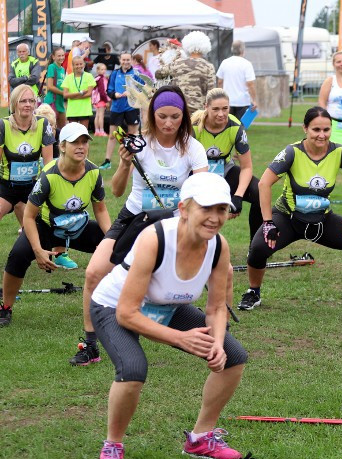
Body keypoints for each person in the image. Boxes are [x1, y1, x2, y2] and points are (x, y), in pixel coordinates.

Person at [90, 172, 247, 459]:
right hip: (114, 306)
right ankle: (113, 444)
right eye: (206, 208)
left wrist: (216, 343)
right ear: (184, 209)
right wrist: (179, 338)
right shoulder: (156, 238)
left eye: (221, 209)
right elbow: (127, 313)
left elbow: (216, 307)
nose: (215, 218)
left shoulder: (218, 246)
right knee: (133, 368)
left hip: (166, 306)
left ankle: (201, 439)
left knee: (233, 357)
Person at [75, 86, 207, 367]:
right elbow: (117, 191)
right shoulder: (139, 144)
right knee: (94, 272)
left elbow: (202, 190)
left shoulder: (193, 148)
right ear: (152, 115)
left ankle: (206, 327)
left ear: (184, 116)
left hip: (174, 221)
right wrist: (124, 164)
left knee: (169, 280)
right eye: (162, 116)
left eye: (175, 117)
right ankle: (90, 345)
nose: (168, 123)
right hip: (134, 216)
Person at [238, 106, 342, 311]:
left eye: (326, 130)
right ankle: (253, 291)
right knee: (258, 248)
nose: (321, 135)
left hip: (322, 221)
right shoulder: (292, 152)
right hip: (288, 219)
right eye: (316, 129)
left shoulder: (339, 152)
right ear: (305, 129)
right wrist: (268, 222)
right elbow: (264, 184)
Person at [0, 123, 109, 327]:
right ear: (63, 146)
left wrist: (110, 239)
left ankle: (118, 303)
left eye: (84, 142)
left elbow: (101, 210)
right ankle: (5, 307)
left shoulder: (94, 172)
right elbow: (29, 217)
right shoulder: (49, 175)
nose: (81, 146)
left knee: (119, 247)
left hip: (77, 227)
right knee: (18, 255)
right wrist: (38, 250)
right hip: (46, 228)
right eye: (75, 142)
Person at [193, 88, 261, 238]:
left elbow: (246, 167)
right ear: (206, 107)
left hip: (224, 171)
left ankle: (256, 246)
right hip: (196, 174)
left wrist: (238, 196)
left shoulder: (235, 127)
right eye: (215, 109)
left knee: (259, 191)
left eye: (225, 108)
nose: (221, 114)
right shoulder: (193, 127)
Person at [0, 85, 56, 241]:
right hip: (7, 187)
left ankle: (56, 252)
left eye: (31, 101)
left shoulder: (43, 124)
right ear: (14, 103)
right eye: (23, 101)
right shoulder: (3, 125)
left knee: (47, 225)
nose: (28, 105)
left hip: (33, 187)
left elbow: (48, 164)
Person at [154, 31, 217, 114]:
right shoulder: (209, 67)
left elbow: (158, 74)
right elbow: (211, 93)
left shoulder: (177, 63)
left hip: (178, 107)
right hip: (199, 111)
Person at [101, 52, 143, 170]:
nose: (126, 62)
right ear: (120, 60)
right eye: (123, 60)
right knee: (112, 135)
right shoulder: (115, 73)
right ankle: (107, 161)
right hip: (117, 108)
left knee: (132, 136)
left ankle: (133, 161)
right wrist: (114, 94)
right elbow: (109, 90)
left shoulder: (136, 73)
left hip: (132, 108)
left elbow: (142, 88)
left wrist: (132, 92)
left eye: (128, 60)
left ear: (131, 60)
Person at [216, 40, 258, 120]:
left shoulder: (225, 62)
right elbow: (250, 84)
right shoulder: (247, 64)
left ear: (232, 49)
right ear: (243, 50)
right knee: (241, 125)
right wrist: (254, 100)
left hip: (227, 101)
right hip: (243, 102)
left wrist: (220, 96)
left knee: (227, 124)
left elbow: (220, 81)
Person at [60, 55, 96, 128]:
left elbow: (89, 93)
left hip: (84, 110)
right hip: (72, 110)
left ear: (84, 64)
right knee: (73, 132)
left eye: (80, 64)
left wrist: (73, 97)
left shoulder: (89, 76)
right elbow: (65, 95)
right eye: (76, 64)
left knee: (84, 132)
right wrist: (80, 93)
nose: (79, 66)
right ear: (73, 66)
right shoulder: (68, 78)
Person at [43, 47, 68, 130]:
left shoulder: (63, 69)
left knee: (62, 130)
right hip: (52, 101)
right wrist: (63, 93)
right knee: (51, 129)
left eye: (62, 55)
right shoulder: (52, 67)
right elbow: (50, 86)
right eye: (59, 56)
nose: (61, 57)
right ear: (53, 57)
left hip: (60, 102)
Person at [92, 63, 110, 137]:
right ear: (98, 70)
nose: (104, 71)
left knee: (97, 115)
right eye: (102, 69)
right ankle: (101, 131)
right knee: (101, 116)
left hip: (96, 99)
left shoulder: (97, 78)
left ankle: (97, 131)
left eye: (105, 69)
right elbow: (102, 91)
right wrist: (106, 101)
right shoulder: (101, 79)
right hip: (101, 99)